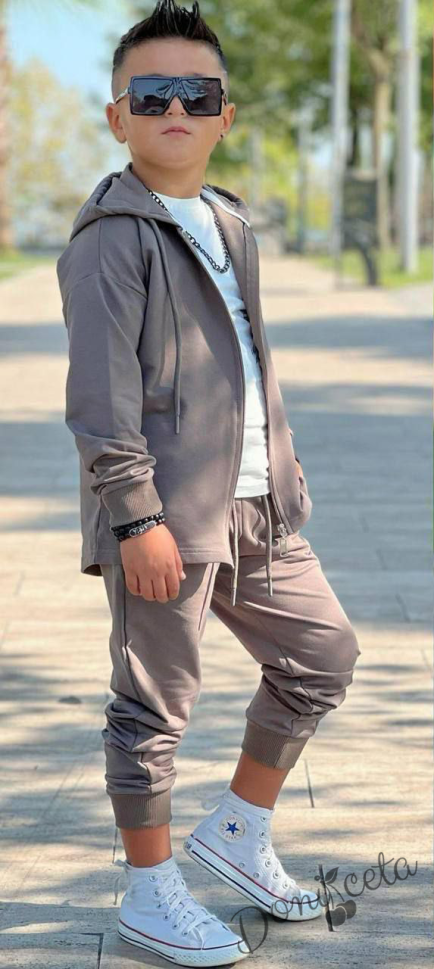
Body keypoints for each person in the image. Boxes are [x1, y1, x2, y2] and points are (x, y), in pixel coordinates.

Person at [56, 1, 361, 965]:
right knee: (155, 703)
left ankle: (236, 830)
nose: (176, 110)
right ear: (119, 116)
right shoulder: (110, 239)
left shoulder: (231, 222)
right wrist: (133, 516)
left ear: (226, 113)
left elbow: (251, 361)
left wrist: (285, 467)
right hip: (165, 516)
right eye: (153, 95)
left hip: (259, 506)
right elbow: (101, 399)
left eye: (198, 93)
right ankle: (150, 892)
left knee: (323, 654)